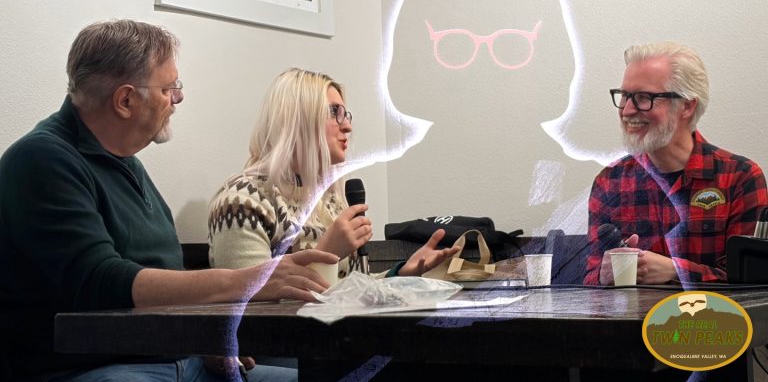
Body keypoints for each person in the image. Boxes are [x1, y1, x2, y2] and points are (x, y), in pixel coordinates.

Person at [0, 20, 339, 382]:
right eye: (169, 88)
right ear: (126, 100)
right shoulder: (42, 160)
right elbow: (101, 281)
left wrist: (202, 336)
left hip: (182, 360)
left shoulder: (126, 163)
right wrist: (247, 282)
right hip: (96, 369)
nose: (178, 98)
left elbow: (164, 274)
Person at [208, 68, 459, 280]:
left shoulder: (328, 198)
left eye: (345, 114)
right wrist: (328, 253)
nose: (348, 126)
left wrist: (401, 273)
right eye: (334, 113)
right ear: (299, 119)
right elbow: (250, 308)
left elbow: (346, 293)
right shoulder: (242, 200)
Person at [584, 41, 768, 285]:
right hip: (630, 323)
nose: (627, 110)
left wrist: (675, 271)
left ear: (687, 106)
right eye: (625, 96)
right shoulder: (609, 182)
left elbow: (752, 283)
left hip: (713, 323)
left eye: (643, 97)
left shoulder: (740, 178)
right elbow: (588, 280)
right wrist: (602, 276)